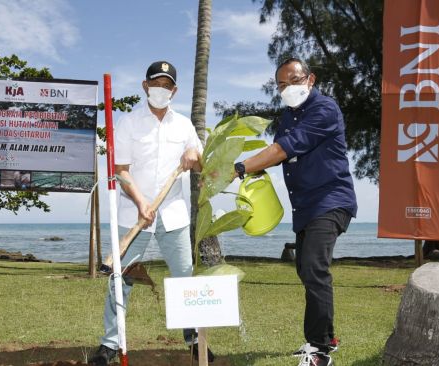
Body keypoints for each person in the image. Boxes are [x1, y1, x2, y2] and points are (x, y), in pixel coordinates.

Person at [232, 58, 357, 366]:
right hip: (305, 208)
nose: (288, 89)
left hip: (331, 200)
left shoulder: (324, 109)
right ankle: (326, 337)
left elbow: (285, 148)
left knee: (314, 268)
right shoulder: (288, 116)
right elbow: (276, 154)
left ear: (310, 79)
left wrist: (240, 167)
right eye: (282, 85)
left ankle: (319, 351)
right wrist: (252, 171)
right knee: (305, 268)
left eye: (294, 81)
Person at [89, 61, 214, 365]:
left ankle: (194, 340)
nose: (161, 89)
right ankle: (110, 343)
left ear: (175, 90)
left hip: (173, 212)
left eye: (167, 85)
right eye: (155, 84)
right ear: (145, 86)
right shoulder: (129, 123)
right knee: (122, 278)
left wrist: (193, 154)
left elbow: (200, 166)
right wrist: (142, 203)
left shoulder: (184, 125)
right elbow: (120, 170)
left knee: (185, 279)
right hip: (134, 211)